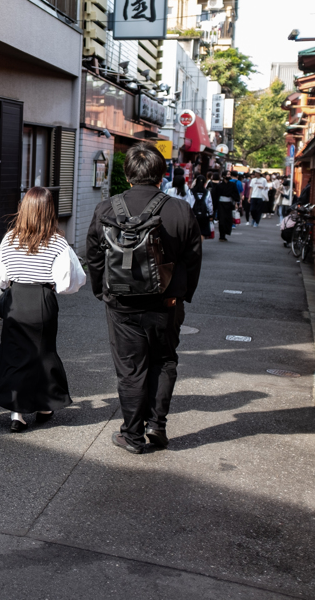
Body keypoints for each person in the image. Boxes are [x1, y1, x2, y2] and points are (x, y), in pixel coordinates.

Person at [86, 145, 202, 453]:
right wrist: (181, 295)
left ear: (127, 175)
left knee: (130, 368)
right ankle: (156, 424)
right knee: (163, 360)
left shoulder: (107, 209)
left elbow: (94, 256)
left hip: (121, 303)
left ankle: (132, 436)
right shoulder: (180, 209)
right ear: (162, 175)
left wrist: (101, 290)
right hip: (166, 303)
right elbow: (192, 259)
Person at [0, 187, 86, 432]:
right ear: (49, 211)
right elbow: (69, 282)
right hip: (42, 301)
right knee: (43, 354)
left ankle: (17, 414)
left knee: (16, 355)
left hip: (15, 301)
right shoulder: (57, 242)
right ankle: (45, 406)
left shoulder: (10, 238)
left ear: (23, 209)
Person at [211, 171, 240, 242]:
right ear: (223, 176)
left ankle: (226, 232)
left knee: (228, 219)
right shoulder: (219, 185)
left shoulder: (232, 185)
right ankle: (222, 235)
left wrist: (235, 201)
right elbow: (215, 195)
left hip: (229, 204)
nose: (229, 175)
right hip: (221, 204)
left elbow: (236, 194)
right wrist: (214, 205)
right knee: (221, 220)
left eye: (229, 174)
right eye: (228, 174)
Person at [191, 175, 215, 239]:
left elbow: (189, 203)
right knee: (202, 232)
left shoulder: (191, 191)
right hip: (204, 215)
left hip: (193, 214)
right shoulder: (207, 192)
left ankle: (194, 243)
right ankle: (200, 243)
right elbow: (209, 204)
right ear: (204, 183)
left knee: (193, 231)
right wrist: (211, 214)